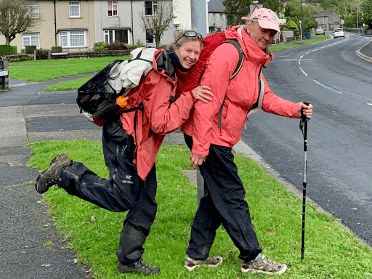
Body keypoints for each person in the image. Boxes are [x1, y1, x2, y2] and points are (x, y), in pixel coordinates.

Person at [34, 31, 213, 276]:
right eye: (188, 51)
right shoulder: (162, 76)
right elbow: (160, 123)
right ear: (175, 47)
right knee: (123, 198)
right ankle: (65, 172)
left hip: (139, 139)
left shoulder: (167, 66)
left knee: (146, 202)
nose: (192, 57)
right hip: (126, 137)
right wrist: (190, 98)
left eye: (196, 52)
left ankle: (128, 261)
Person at [180, 9, 313, 275]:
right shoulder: (230, 53)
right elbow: (207, 101)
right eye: (264, 29)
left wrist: (295, 109)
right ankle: (253, 257)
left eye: (272, 32)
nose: (268, 36)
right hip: (209, 135)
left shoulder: (252, 59)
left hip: (219, 136)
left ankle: (196, 255)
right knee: (232, 196)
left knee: (215, 197)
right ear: (249, 25)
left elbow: (263, 97)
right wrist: (201, 146)